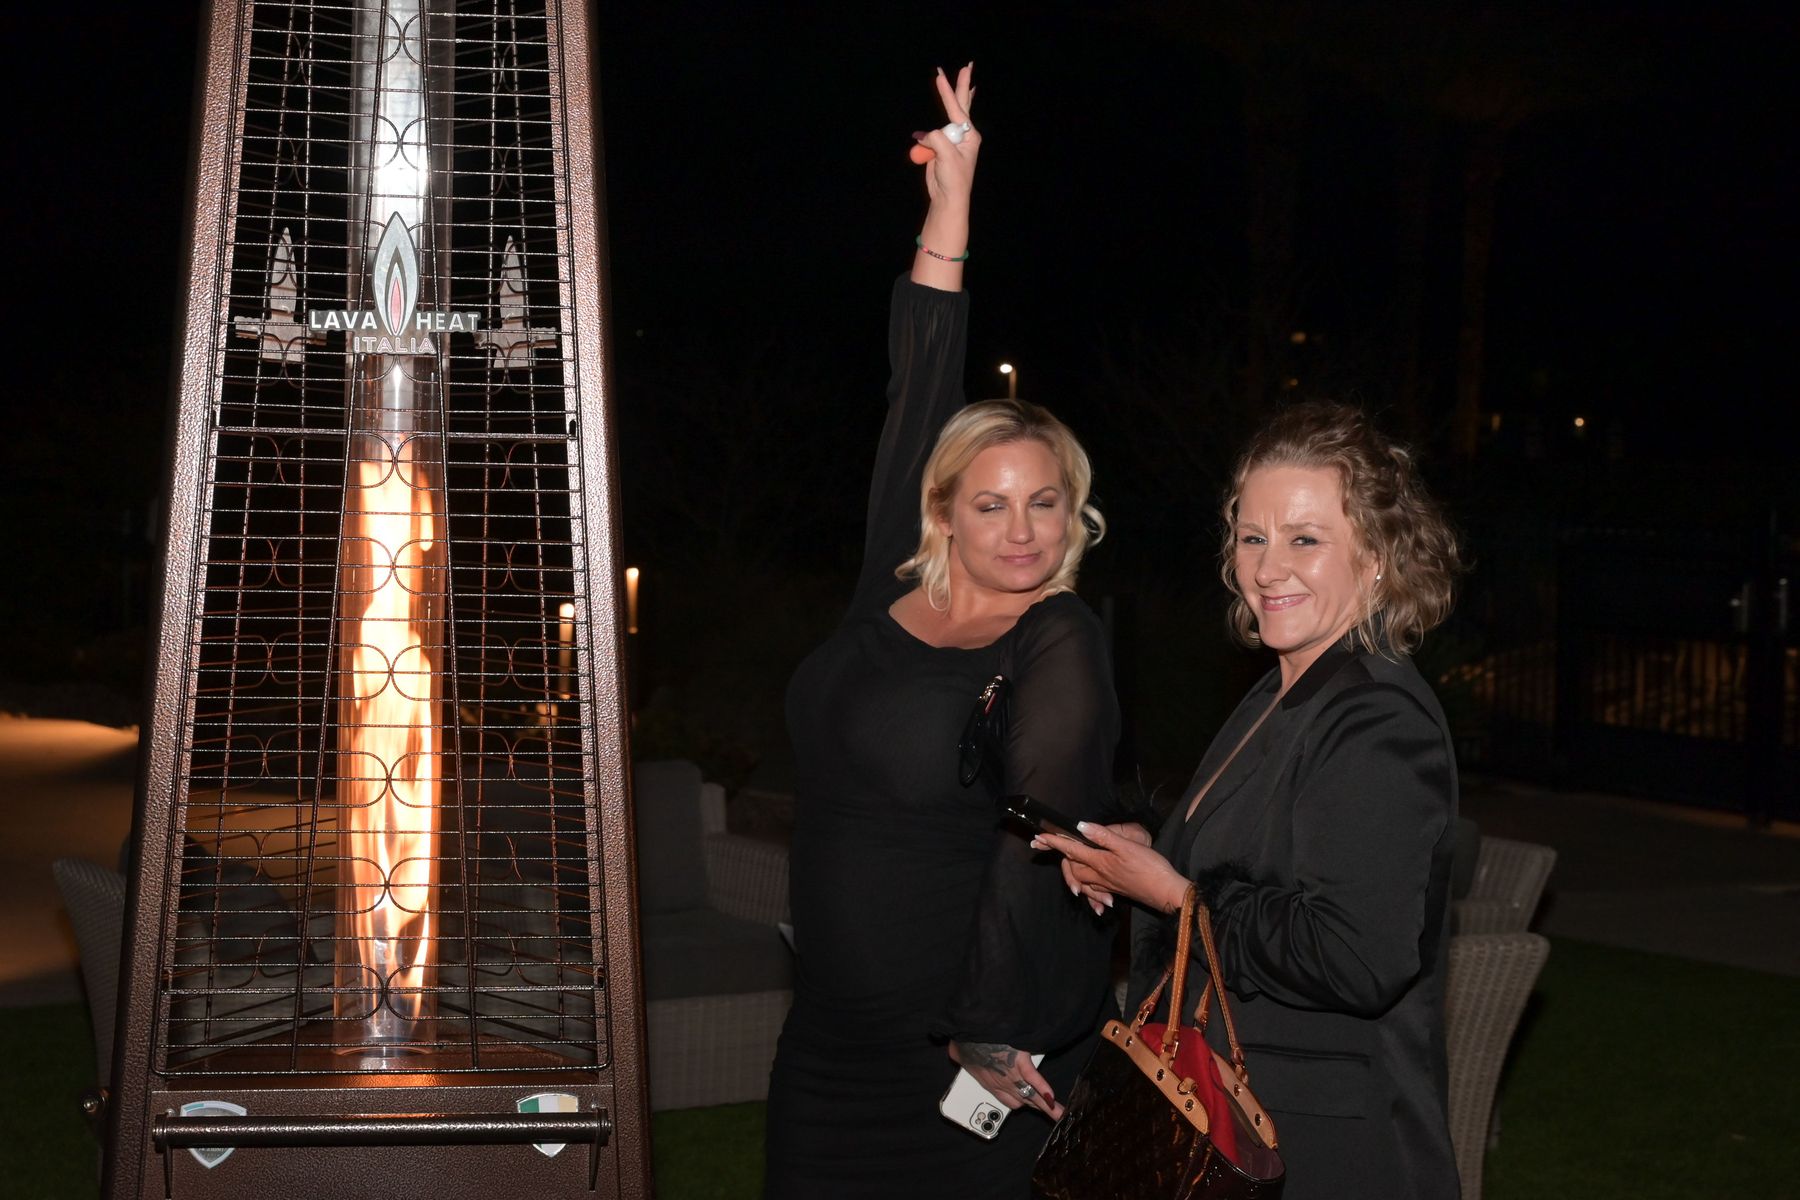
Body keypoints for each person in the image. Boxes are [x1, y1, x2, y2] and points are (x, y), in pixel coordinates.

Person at [763, 65, 1119, 1199]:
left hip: (960, 1059)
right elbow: (918, 380)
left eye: (1044, 503)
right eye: (991, 503)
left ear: (1073, 514)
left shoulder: (1055, 639)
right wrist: (952, 205)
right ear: (945, 511)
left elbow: (1038, 833)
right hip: (827, 1042)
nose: (1020, 529)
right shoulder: (890, 584)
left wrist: (989, 1023)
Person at [1037, 402, 1464, 1200]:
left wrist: (1175, 896)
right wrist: (1148, 854)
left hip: (1323, 1152)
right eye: (1252, 537)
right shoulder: (1283, 691)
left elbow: (1356, 957)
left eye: (1305, 540)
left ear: (1376, 557)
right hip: (1237, 1125)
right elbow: (1256, 857)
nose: (1268, 569)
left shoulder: (1377, 718)